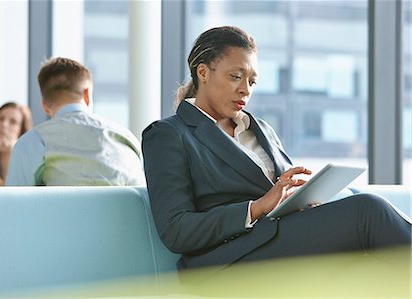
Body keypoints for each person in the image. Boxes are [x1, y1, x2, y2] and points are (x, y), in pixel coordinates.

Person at [142, 26, 411, 271]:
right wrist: (256, 208)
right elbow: (175, 230)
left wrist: (300, 199)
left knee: (370, 256)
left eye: (252, 82)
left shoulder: (260, 129)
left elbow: (279, 196)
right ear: (203, 72)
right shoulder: (168, 135)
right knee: (368, 211)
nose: (245, 90)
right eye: (236, 76)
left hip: (282, 239)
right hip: (228, 261)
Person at [6, 57, 145, 186]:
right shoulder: (127, 138)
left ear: (44, 105)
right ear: (86, 95)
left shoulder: (33, 142)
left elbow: (14, 206)